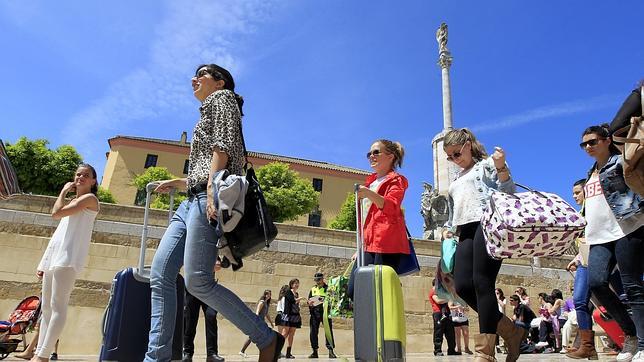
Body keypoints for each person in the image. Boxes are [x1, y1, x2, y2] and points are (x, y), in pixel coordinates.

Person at [145, 64, 284, 362]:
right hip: (190, 200)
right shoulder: (210, 105)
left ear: (220, 82)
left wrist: (209, 191)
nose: (193, 79)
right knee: (161, 273)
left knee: (197, 281)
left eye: (202, 74)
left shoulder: (222, 99)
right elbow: (206, 164)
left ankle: (266, 337)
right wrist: (179, 182)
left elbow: (223, 148)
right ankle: (155, 357)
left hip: (205, 199)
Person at [442, 128, 525, 362]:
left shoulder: (486, 165)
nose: (454, 160)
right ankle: (512, 331)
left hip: (487, 224)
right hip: (465, 230)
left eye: (457, 154)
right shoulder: (457, 177)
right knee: (463, 287)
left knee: (482, 283)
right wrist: (449, 229)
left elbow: (508, 192)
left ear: (468, 145)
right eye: (450, 157)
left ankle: (485, 352)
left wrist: (501, 167)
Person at [574, 124, 643, 362]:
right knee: (596, 284)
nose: (588, 147)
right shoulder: (590, 173)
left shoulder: (620, 162)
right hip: (598, 236)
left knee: (632, 286)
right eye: (584, 144)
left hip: (626, 229)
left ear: (606, 141)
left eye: (592, 142)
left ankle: (642, 344)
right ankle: (630, 334)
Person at [32, 164, 100, 362]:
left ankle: (44, 354)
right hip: (55, 257)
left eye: (86, 175)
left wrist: (62, 191)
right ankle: (39, 352)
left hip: (68, 258)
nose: (80, 177)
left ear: (93, 181)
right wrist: (44, 262)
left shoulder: (89, 199)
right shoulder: (74, 201)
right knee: (46, 308)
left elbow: (56, 213)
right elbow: (58, 236)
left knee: (58, 306)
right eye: (78, 174)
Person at [347, 139, 410, 297]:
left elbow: (392, 206)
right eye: (369, 153)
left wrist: (368, 194)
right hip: (369, 244)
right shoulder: (371, 182)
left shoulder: (397, 180)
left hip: (386, 244)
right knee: (353, 290)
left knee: (378, 292)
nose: (371, 156)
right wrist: (360, 246)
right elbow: (367, 219)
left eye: (376, 152)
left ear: (390, 156)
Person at [182, 289, 224, 362]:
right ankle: (187, 353)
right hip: (192, 288)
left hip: (208, 288)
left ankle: (211, 354)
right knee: (189, 321)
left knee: (211, 316)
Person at [307, 273, 337, 359]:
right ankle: (314, 351)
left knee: (328, 332)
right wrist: (309, 303)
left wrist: (321, 300)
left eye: (319, 280)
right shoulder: (313, 289)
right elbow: (309, 299)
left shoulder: (328, 289)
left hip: (325, 313)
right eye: (316, 280)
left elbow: (332, 299)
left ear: (322, 279)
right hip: (314, 313)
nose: (317, 282)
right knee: (313, 332)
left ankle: (331, 351)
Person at [240, 290, 275, 358]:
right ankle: (242, 351)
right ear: (264, 295)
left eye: (270, 294)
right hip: (259, 322)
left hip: (262, 322)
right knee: (254, 336)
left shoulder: (266, 303)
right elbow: (257, 312)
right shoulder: (262, 302)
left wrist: (271, 322)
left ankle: (242, 351)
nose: (269, 296)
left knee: (257, 336)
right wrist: (256, 322)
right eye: (267, 294)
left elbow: (266, 314)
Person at [429, 282, 458, 356]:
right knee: (438, 332)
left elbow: (451, 302)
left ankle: (451, 350)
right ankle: (437, 350)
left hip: (447, 313)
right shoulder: (433, 291)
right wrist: (448, 298)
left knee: (450, 333)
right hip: (438, 313)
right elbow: (438, 301)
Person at [281, 279, 304, 359]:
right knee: (284, 333)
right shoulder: (288, 292)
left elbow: (297, 304)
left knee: (292, 334)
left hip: (295, 315)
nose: (297, 285)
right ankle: (277, 351)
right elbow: (292, 301)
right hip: (288, 315)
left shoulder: (297, 294)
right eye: (295, 283)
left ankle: (288, 353)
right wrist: (300, 299)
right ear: (291, 284)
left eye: (298, 283)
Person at [495, 288, 507, 353]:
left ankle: (504, 346)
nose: (496, 294)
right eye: (495, 293)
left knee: (503, 332)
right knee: (496, 332)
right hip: (495, 316)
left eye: (497, 293)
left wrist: (498, 299)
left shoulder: (503, 299)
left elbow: (503, 306)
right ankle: (497, 347)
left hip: (502, 317)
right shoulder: (493, 299)